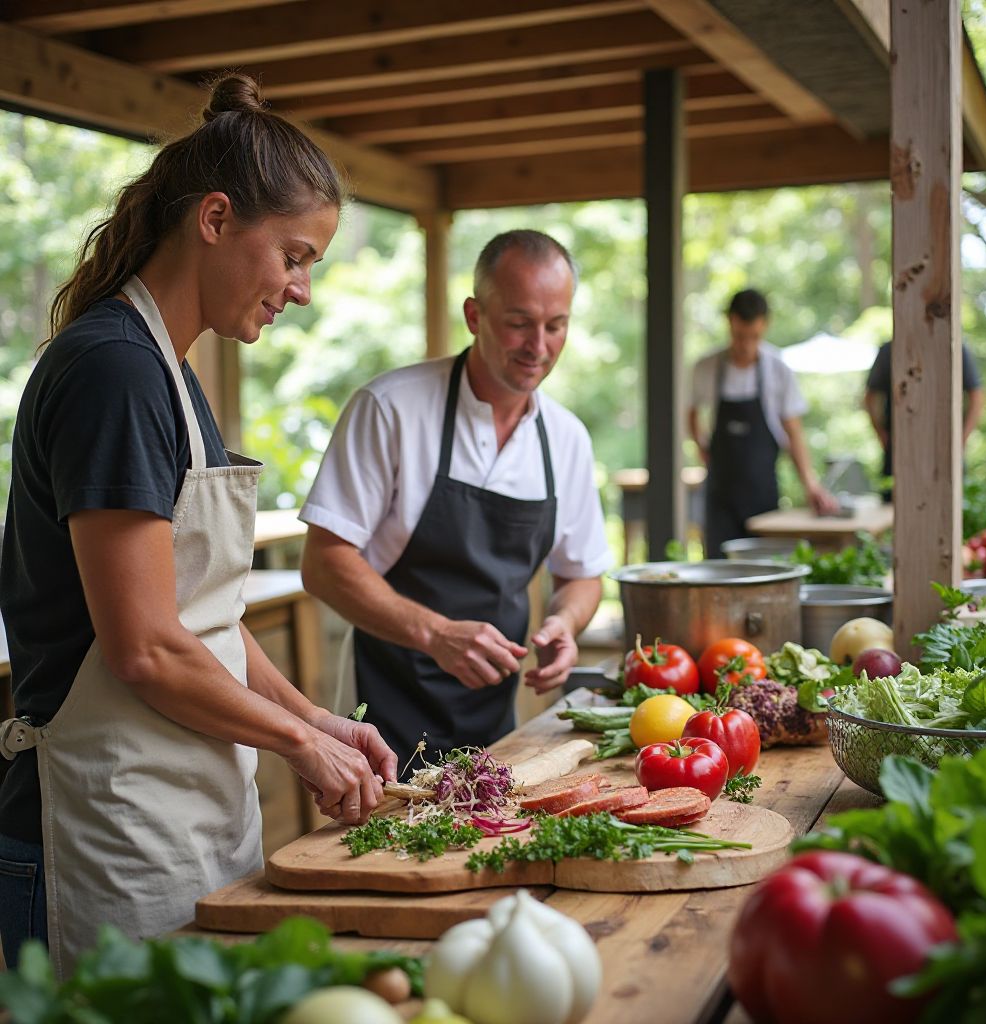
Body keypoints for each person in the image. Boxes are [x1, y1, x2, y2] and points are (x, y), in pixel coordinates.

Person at [0, 74, 396, 977]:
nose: (300, 290)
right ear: (215, 219)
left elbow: (200, 620)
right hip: (99, 831)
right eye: (293, 256)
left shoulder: (170, 376)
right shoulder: (113, 372)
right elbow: (143, 646)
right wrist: (295, 742)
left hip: (178, 817)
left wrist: (316, 722)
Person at [300, 230, 611, 770]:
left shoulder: (567, 438)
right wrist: (437, 634)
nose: (538, 345)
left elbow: (582, 575)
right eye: (518, 323)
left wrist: (565, 623)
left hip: (495, 724)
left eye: (555, 325)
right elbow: (323, 565)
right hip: (380, 712)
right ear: (474, 315)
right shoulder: (390, 409)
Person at [687, 289, 837, 558]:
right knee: (719, 571)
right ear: (729, 323)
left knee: (764, 568)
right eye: (740, 336)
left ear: (765, 326)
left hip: (763, 494)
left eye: (754, 337)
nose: (746, 345)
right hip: (720, 495)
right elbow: (692, 412)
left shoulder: (778, 370)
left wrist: (810, 484)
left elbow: (793, 433)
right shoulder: (706, 367)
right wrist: (701, 446)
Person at [863, 339, 984, 498]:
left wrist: (960, 440)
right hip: (898, 448)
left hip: (945, 447)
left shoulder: (955, 346)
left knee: (950, 502)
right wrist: (883, 436)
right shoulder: (889, 350)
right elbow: (870, 397)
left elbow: (977, 397)